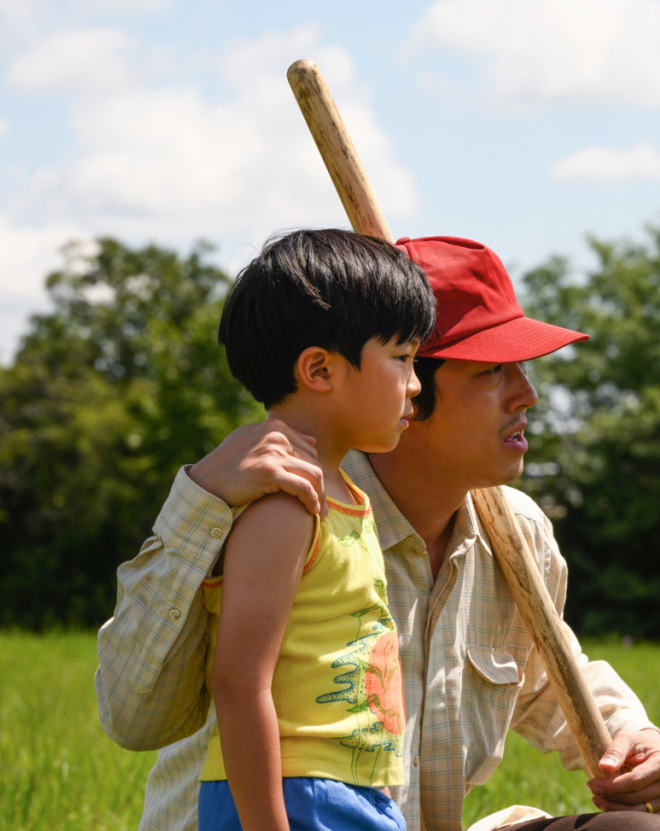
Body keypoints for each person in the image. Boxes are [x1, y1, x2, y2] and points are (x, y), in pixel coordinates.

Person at [96, 235, 660, 831]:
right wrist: (199, 501)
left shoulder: (519, 533)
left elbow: (546, 674)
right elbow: (133, 717)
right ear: (410, 383)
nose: (527, 395)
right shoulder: (278, 502)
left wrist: (633, 735)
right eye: (490, 372)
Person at [198, 228, 434, 830]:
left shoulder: (347, 496)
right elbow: (237, 680)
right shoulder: (285, 506)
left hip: (351, 791)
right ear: (320, 370)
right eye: (403, 358)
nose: (415, 384)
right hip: (295, 795)